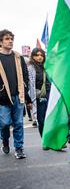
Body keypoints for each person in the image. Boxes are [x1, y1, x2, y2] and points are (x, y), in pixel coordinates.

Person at [0, 29, 32, 158]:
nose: (10, 41)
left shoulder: (18, 57)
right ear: (1, 42)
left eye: (11, 39)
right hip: (2, 99)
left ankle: (19, 148)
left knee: (18, 123)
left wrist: (26, 95)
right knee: (5, 123)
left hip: (18, 96)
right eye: (7, 39)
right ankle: (5, 141)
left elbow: (25, 76)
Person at [28, 48, 51, 138]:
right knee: (41, 120)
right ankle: (44, 139)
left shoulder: (48, 66)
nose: (39, 57)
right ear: (33, 56)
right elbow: (30, 84)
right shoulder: (30, 68)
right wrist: (29, 99)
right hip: (38, 96)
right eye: (37, 55)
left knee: (51, 118)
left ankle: (53, 141)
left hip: (50, 94)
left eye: (41, 55)